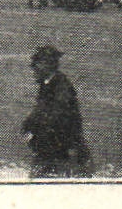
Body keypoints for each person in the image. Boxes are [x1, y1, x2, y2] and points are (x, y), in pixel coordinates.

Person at [22, 45, 91, 178]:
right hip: (51, 147)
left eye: (37, 64)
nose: (33, 68)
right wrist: (28, 126)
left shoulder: (61, 87)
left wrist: (34, 131)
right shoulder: (47, 84)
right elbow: (41, 112)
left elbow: (57, 118)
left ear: (48, 65)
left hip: (61, 150)